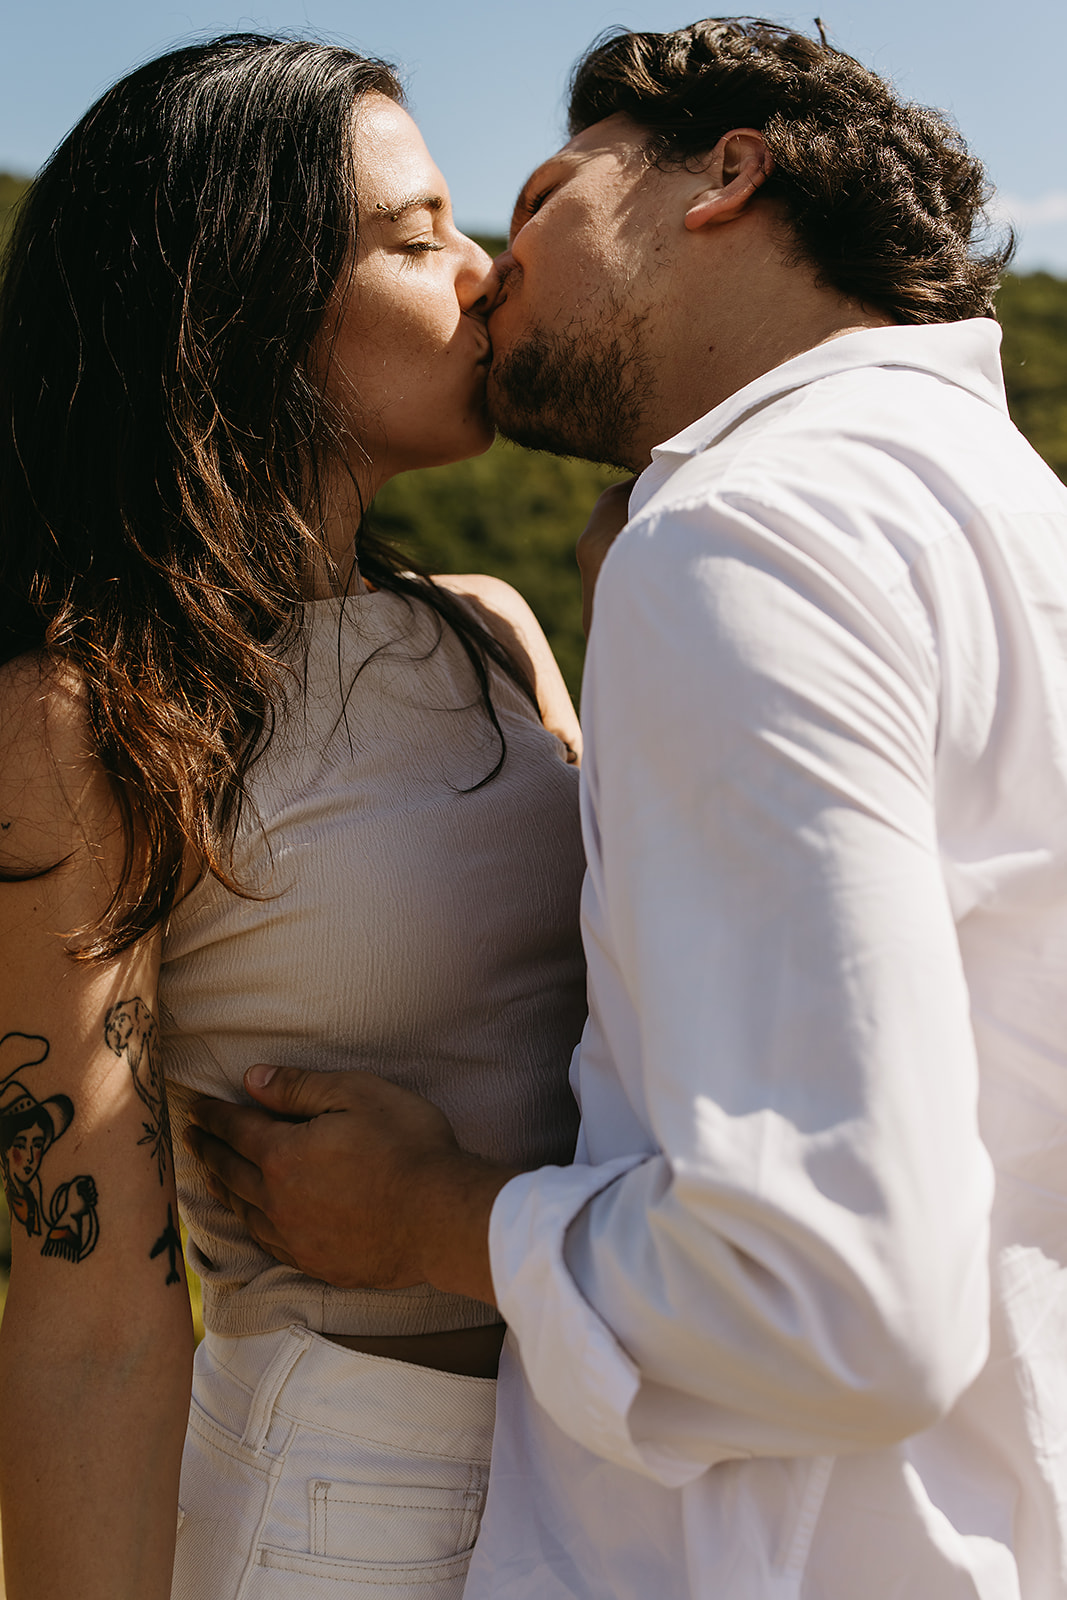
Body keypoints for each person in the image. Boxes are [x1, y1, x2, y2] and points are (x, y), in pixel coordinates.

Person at [189, 18, 1067, 1600]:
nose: (488, 273)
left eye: (530, 200)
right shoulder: (1019, 522)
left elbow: (837, 1291)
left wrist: (440, 1216)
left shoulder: (747, 528)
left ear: (728, 174)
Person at [0, 34, 588, 1600]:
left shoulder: (492, 630)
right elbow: (92, 1322)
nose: (483, 275)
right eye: (416, 237)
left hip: (618, 1459)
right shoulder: (86, 718)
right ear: (242, 310)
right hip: (351, 1503)